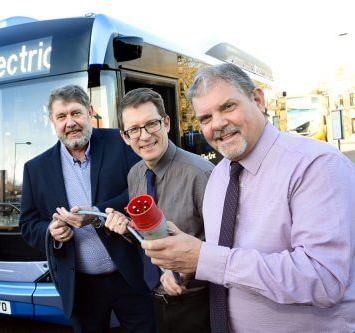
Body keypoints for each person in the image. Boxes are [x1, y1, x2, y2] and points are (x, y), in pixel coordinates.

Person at [141, 63, 355, 332]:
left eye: (228, 106)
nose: (217, 124)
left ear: (258, 100)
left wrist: (205, 259)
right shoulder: (218, 177)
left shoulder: (317, 166)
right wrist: (190, 263)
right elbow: (230, 258)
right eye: (205, 118)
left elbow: (323, 280)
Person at [19, 85, 156, 333]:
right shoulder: (35, 169)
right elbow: (28, 224)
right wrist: (51, 232)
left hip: (129, 274)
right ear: (52, 121)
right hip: (80, 285)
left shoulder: (121, 141)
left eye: (76, 113)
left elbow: (143, 189)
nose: (70, 122)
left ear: (90, 112)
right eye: (61, 116)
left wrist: (96, 214)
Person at [105, 88, 214, 333]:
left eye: (151, 124)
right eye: (134, 129)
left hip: (197, 304)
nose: (144, 136)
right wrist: (126, 227)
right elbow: (147, 235)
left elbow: (226, 244)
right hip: (153, 299)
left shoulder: (201, 173)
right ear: (124, 136)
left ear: (165, 123)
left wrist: (186, 269)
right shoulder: (135, 174)